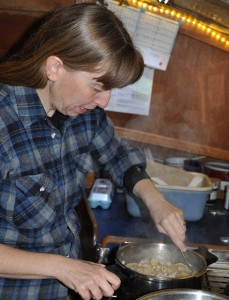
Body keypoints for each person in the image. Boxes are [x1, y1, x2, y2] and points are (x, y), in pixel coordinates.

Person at [0, 3, 187, 300]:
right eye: (97, 86)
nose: (104, 102)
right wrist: (66, 268)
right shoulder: (4, 122)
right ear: (55, 68)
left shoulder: (84, 114)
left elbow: (117, 155)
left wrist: (155, 200)